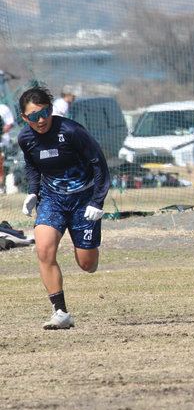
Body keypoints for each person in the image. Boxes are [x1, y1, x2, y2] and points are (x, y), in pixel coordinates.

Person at [17, 86, 110, 330]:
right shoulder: (25, 139)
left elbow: (99, 164)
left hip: (84, 199)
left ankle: (90, 251)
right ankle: (60, 312)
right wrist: (33, 192)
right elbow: (32, 166)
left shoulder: (71, 131)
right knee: (44, 251)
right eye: (34, 116)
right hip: (52, 200)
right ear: (24, 117)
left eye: (44, 113)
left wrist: (97, 202)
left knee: (86, 264)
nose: (41, 120)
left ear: (51, 110)